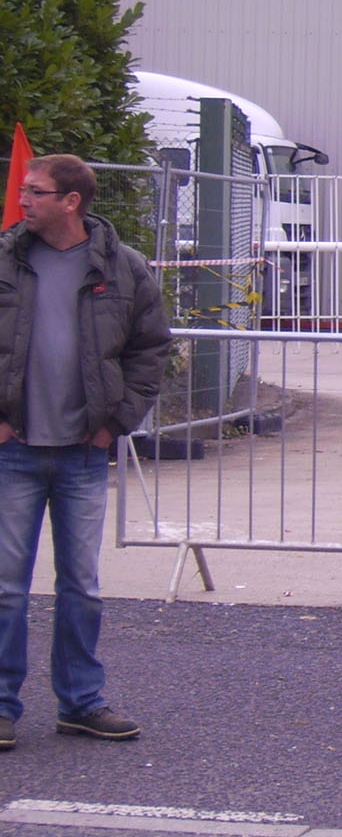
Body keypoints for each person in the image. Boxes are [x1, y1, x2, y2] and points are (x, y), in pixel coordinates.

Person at [0, 154, 171, 751]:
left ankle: (80, 702)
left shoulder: (122, 268)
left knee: (81, 585)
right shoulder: (5, 260)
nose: (22, 198)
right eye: (23, 189)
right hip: (13, 451)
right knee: (6, 588)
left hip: (82, 454)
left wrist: (116, 423)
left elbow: (151, 350)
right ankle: (2, 707)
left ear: (71, 201)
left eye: (35, 190)